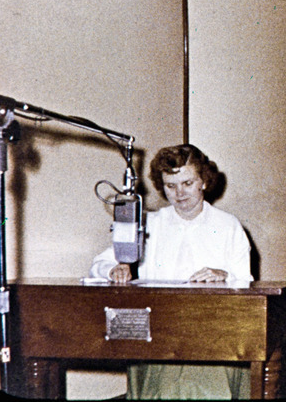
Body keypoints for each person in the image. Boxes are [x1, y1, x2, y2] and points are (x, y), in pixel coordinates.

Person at [90, 144, 252, 399]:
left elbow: (246, 283)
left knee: (198, 383)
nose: (179, 193)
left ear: (204, 182)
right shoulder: (149, 223)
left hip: (212, 329)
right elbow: (99, 263)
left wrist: (225, 275)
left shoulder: (228, 226)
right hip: (159, 331)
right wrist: (114, 269)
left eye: (187, 183)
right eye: (170, 185)